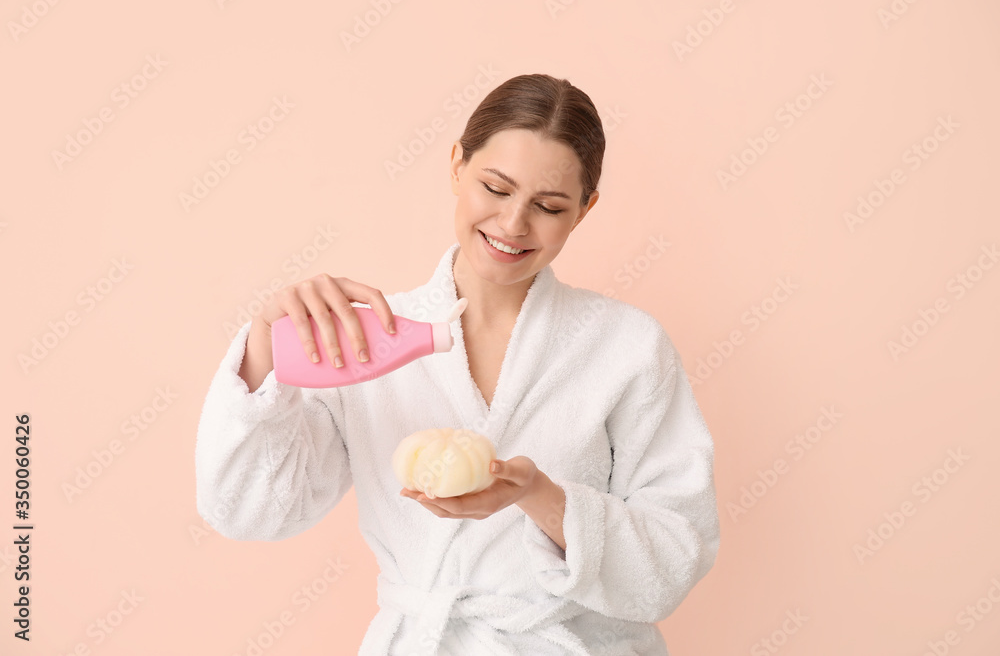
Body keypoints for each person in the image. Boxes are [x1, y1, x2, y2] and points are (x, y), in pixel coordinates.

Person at [195, 73, 721, 655]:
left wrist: (538, 496)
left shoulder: (628, 347)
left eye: (548, 206)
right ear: (455, 165)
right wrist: (266, 350)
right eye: (496, 188)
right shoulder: (368, 337)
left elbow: (672, 560)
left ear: (585, 209)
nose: (514, 224)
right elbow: (247, 513)